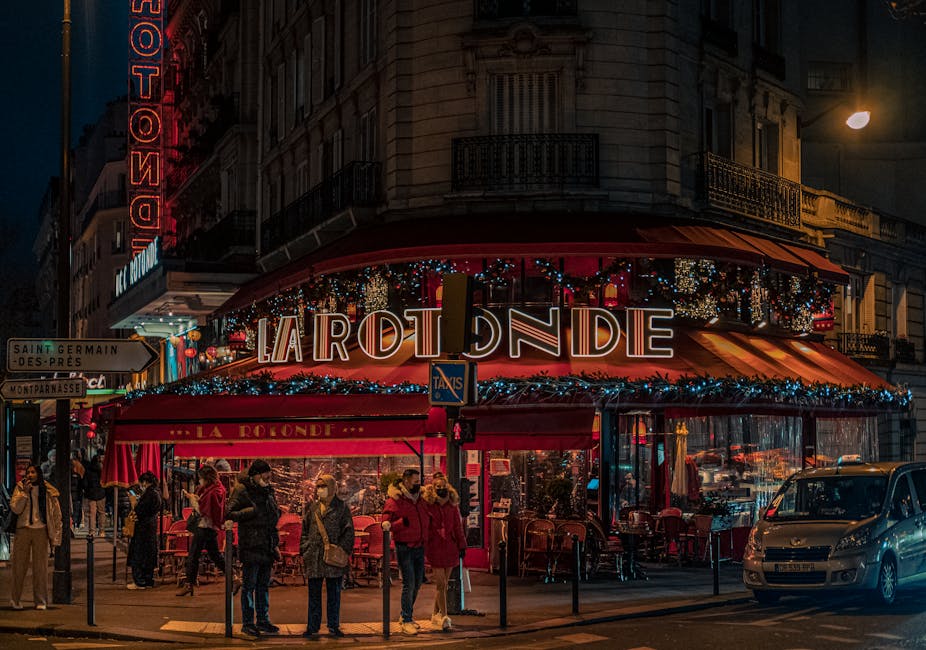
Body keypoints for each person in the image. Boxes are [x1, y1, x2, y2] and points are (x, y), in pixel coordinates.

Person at [225, 459, 281, 637]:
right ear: (256, 474)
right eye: (266, 474)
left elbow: (273, 515)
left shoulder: (267, 490)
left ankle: (263, 620)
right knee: (249, 585)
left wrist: (275, 542)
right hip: (250, 544)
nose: (268, 477)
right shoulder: (242, 490)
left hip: (266, 544)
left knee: (263, 585)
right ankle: (248, 623)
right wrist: (251, 512)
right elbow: (228, 512)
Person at [299, 474, 353, 639]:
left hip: (333, 558)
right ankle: (312, 626)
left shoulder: (342, 508)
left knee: (334, 594)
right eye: (319, 486)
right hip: (314, 557)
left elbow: (348, 532)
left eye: (323, 486)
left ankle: (333, 625)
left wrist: (342, 550)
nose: (320, 489)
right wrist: (305, 548)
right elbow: (305, 530)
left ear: (332, 488)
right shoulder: (312, 508)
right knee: (313, 594)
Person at [383, 468, 430, 635]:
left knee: (417, 583)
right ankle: (407, 618)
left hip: (420, 546)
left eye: (419, 481)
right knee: (409, 583)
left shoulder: (421, 499)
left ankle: (406, 615)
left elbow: (427, 518)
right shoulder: (395, 500)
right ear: (406, 481)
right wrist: (402, 523)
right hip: (405, 547)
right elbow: (386, 524)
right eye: (415, 481)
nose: (418, 484)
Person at [9, 464, 62, 610]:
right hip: (24, 529)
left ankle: (40, 601)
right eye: (28, 472)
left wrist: (56, 537)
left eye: (33, 472)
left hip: (41, 530)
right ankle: (15, 599)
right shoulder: (20, 488)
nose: (30, 475)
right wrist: (24, 494)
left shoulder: (48, 490)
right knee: (19, 567)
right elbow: (15, 508)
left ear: (39, 473)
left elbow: (56, 515)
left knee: (41, 568)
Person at [422, 474, 466, 631]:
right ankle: (445, 617)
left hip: (450, 547)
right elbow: (425, 527)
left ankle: (435, 614)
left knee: (443, 585)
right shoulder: (428, 505)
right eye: (437, 486)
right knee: (440, 584)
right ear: (433, 489)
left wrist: (462, 545)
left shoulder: (453, 506)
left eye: (443, 486)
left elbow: (458, 527)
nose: (440, 489)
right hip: (435, 547)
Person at [177, 465, 227, 596]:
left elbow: (205, 511)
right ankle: (234, 577)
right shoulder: (214, 489)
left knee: (193, 555)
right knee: (215, 555)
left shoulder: (213, 492)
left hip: (204, 527)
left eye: (201, 478)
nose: (199, 481)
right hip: (209, 528)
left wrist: (193, 501)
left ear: (206, 478)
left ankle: (189, 584)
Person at [127, 471, 162, 590]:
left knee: (139, 553)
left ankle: (140, 581)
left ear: (145, 482)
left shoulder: (149, 494)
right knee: (149, 554)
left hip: (143, 528)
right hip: (151, 527)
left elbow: (139, 510)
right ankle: (148, 580)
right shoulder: (157, 492)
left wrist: (133, 503)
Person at [83, 454, 106, 537]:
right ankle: (101, 531)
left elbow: (84, 483)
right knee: (101, 513)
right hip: (101, 494)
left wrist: (87, 490)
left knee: (92, 514)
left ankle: (92, 531)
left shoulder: (88, 470)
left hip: (91, 494)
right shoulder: (103, 470)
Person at [70, 452, 85, 532]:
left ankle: (73, 524)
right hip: (76, 495)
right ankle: (76, 524)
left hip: (72, 495)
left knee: (73, 510)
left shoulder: (68, 475)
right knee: (76, 510)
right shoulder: (81, 467)